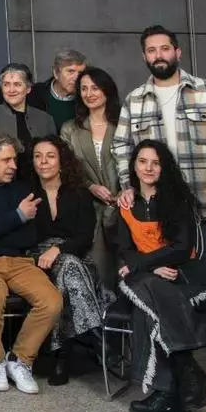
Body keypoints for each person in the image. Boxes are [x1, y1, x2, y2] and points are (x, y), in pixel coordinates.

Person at [0, 134, 63, 395]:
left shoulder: (22, 189)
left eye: (14, 159)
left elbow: (27, 237)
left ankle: (20, 360)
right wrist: (18, 216)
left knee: (52, 301)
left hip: (20, 261)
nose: (14, 166)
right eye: (6, 160)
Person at [117, 140, 206, 412]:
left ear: (164, 167)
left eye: (155, 163)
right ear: (134, 166)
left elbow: (182, 249)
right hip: (151, 279)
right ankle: (186, 374)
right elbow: (125, 250)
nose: (148, 168)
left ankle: (167, 393)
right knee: (148, 291)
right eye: (142, 161)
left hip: (184, 278)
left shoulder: (178, 200)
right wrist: (152, 268)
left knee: (147, 308)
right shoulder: (126, 205)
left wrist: (146, 265)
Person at [29, 136, 112, 386]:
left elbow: (85, 237)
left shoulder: (78, 193)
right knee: (66, 269)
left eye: (50, 156)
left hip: (76, 256)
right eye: (37, 156)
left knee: (66, 269)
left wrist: (58, 249)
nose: (43, 162)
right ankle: (95, 333)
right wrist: (48, 251)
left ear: (62, 161)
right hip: (35, 260)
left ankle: (60, 354)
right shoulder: (26, 192)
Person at [113, 24, 206, 223]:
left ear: (178, 52)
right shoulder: (134, 100)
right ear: (144, 57)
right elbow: (121, 146)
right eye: (151, 50)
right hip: (159, 212)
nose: (158, 55)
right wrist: (128, 185)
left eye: (165, 49)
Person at [60, 67, 121, 287]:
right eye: (84, 88)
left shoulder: (124, 124)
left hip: (125, 205)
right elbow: (67, 170)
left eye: (95, 88)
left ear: (107, 90)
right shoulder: (70, 129)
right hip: (89, 208)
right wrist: (91, 187)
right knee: (98, 272)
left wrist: (123, 192)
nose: (89, 93)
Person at [0, 63, 56, 178]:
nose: (11, 90)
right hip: (3, 182)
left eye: (17, 84)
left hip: (40, 181)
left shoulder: (45, 119)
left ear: (28, 88)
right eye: (6, 84)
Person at [28, 49, 87, 131]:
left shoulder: (87, 99)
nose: (76, 78)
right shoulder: (34, 93)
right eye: (71, 71)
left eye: (80, 73)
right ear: (56, 73)